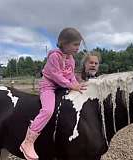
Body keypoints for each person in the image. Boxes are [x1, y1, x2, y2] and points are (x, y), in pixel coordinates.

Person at [20, 27, 87, 160]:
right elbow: (56, 76)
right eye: (75, 44)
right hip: (49, 87)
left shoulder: (71, 59)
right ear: (64, 43)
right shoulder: (54, 57)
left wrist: (77, 86)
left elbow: (71, 76)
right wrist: (71, 85)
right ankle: (28, 141)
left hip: (62, 87)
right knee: (48, 110)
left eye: (78, 45)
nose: (77, 48)